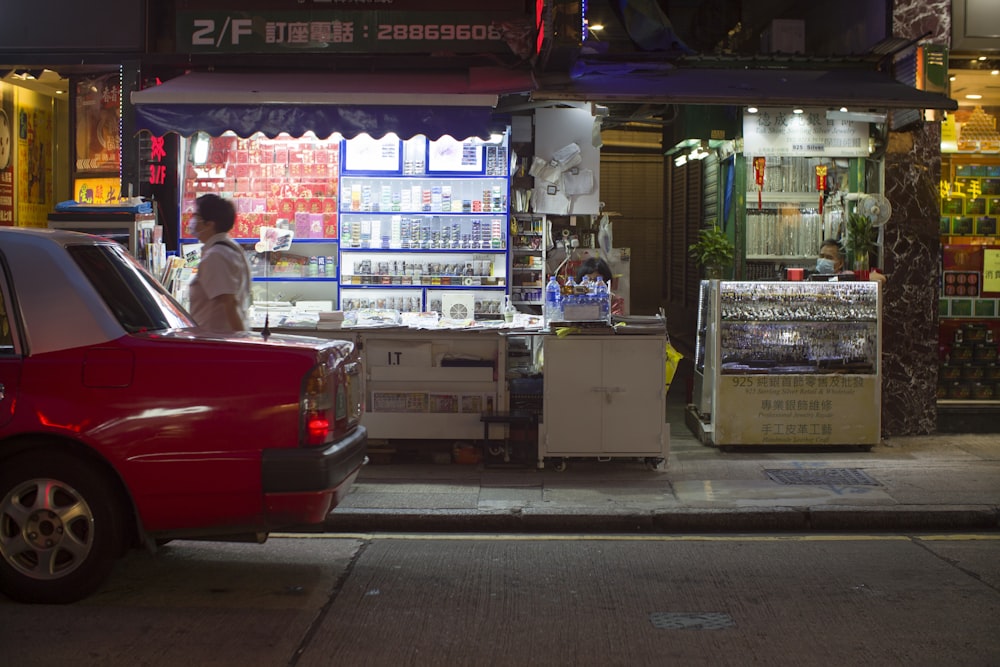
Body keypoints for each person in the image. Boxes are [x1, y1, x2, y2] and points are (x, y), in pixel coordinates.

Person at [187, 194, 252, 333]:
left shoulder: (216, 256)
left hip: (217, 341)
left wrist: (242, 344)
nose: (192, 221)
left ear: (209, 224)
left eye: (196, 216)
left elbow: (229, 304)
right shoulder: (228, 248)